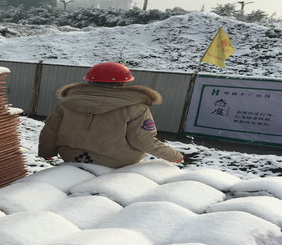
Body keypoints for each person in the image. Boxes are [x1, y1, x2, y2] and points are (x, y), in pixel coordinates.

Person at [38, 62, 183, 168]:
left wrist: (46, 152)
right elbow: (142, 140)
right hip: (117, 161)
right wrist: (175, 156)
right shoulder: (136, 107)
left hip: (71, 156)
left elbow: (50, 131)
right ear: (124, 83)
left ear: (89, 81)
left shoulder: (67, 103)